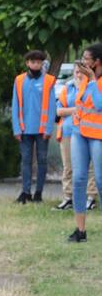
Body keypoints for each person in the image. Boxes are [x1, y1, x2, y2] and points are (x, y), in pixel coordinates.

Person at [11, 50, 57, 203]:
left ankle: (38, 193)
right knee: (25, 160)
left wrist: (48, 128)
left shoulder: (49, 80)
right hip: (24, 129)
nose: (36, 64)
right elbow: (15, 105)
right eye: (33, 62)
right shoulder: (19, 80)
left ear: (42, 63)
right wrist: (16, 128)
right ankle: (25, 192)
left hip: (42, 130)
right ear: (27, 63)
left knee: (42, 160)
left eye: (39, 62)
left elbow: (52, 107)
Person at [67, 44, 102, 242]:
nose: (82, 61)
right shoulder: (84, 80)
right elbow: (77, 103)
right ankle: (80, 230)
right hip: (79, 133)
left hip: (98, 136)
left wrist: (94, 79)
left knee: (100, 180)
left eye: (86, 58)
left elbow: (99, 104)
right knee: (78, 179)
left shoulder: (97, 80)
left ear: (96, 62)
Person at [55, 79, 98, 210]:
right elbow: (58, 111)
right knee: (68, 166)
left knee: (91, 167)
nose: (79, 75)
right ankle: (68, 197)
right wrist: (75, 109)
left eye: (81, 72)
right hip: (68, 131)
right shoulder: (68, 88)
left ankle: (91, 197)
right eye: (76, 72)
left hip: (90, 131)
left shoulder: (94, 86)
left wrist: (73, 109)